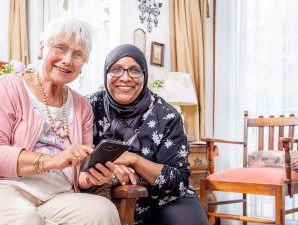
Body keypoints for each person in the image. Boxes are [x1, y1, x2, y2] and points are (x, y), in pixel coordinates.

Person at [0, 19, 120, 225]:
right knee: (25, 217)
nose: (67, 60)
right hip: (1, 186)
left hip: (57, 196)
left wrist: (93, 176)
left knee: (103, 211)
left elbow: (78, 174)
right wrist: (53, 161)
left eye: (78, 54)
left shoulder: (83, 106)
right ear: (41, 48)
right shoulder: (8, 87)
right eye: (60, 48)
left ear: (83, 64)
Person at [86, 44, 209, 225]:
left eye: (134, 71)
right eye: (116, 69)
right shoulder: (89, 106)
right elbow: (74, 155)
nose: (125, 77)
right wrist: (109, 167)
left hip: (162, 199)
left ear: (144, 75)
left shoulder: (167, 116)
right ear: (106, 73)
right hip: (102, 195)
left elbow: (178, 181)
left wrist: (132, 159)